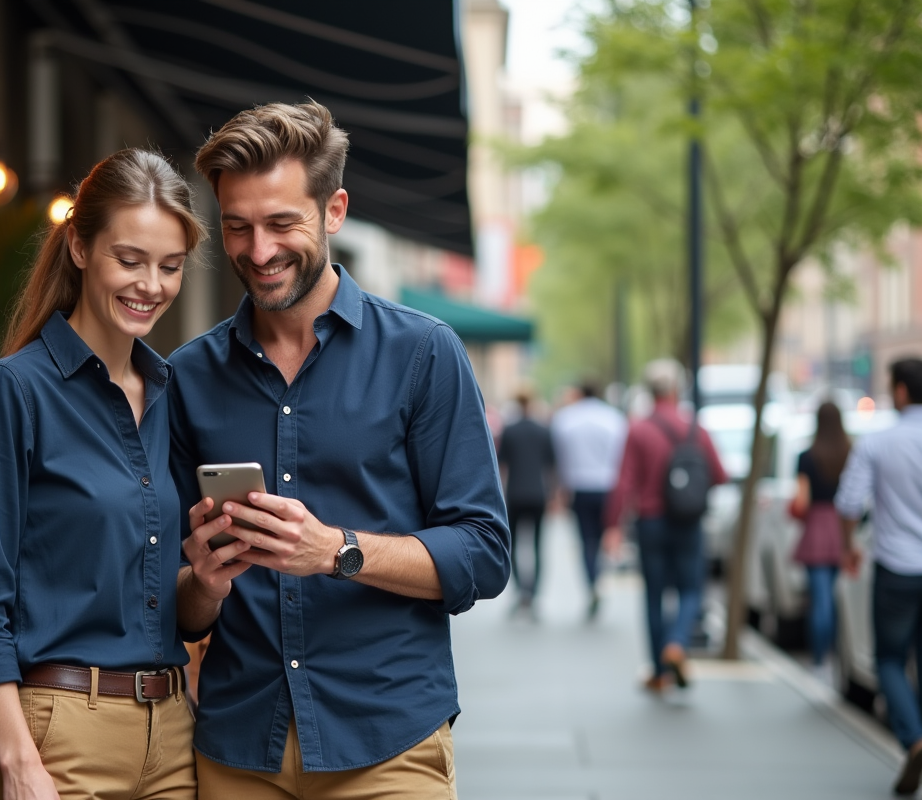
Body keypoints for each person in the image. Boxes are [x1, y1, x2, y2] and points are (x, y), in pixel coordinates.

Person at [170, 101, 510, 800]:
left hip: (387, 742)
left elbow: (482, 553)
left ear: (334, 211)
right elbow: (173, 606)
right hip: (239, 746)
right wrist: (203, 583)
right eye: (237, 226)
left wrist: (335, 551)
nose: (258, 251)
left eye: (281, 223)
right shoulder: (188, 377)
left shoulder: (424, 354)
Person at [0, 149, 207, 800]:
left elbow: (170, 609)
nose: (151, 285)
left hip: (173, 736)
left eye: (170, 266)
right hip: (60, 737)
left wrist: (207, 579)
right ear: (80, 247)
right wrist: (19, 762)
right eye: (130, 260)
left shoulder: (169, 395)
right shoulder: (12, 393)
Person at [604, 359, 727, 692]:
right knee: (691, 588)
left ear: (650, 391)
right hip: (688, 520)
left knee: (654, 595)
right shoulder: (695, 429)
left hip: (650, 522)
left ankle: (659, 673)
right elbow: (720, 474)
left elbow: (625, 481)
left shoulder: (639, 429)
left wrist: (613, 526)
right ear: (676, 389)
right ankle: (677, 642)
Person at [835, 357, 922, 796]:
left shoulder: (878, 442)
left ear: (901, 390)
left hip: (896, 567)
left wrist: (849, 544)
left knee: (888, 658)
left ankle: (914, 738)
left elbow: (849, 502)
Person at [550, 380, 628, 618]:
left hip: (579, 486)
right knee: (606, 536)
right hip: (607, 485)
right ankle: (599, 577)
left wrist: (561, 488)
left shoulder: (565, 419)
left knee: (586, 540)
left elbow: (561, 458)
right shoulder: (613, 418)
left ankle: (592, 581)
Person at [790, 401, 849, 673]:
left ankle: (818, 657)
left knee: (820, 598)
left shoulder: (807, 457)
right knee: (835, 597)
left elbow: (801, 502)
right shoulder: (850, 454)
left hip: (816, 527)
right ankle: (833, 654)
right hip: (841, 527)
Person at [497, 386, 555, 612]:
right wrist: (554, 494)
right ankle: (534, 592)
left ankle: (521, 589)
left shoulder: (509, 430)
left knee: (512, 545)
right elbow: (551, 465)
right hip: (538, 493)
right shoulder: (543, 430)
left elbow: (501, 465)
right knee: (538, 545)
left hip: (515, 493)